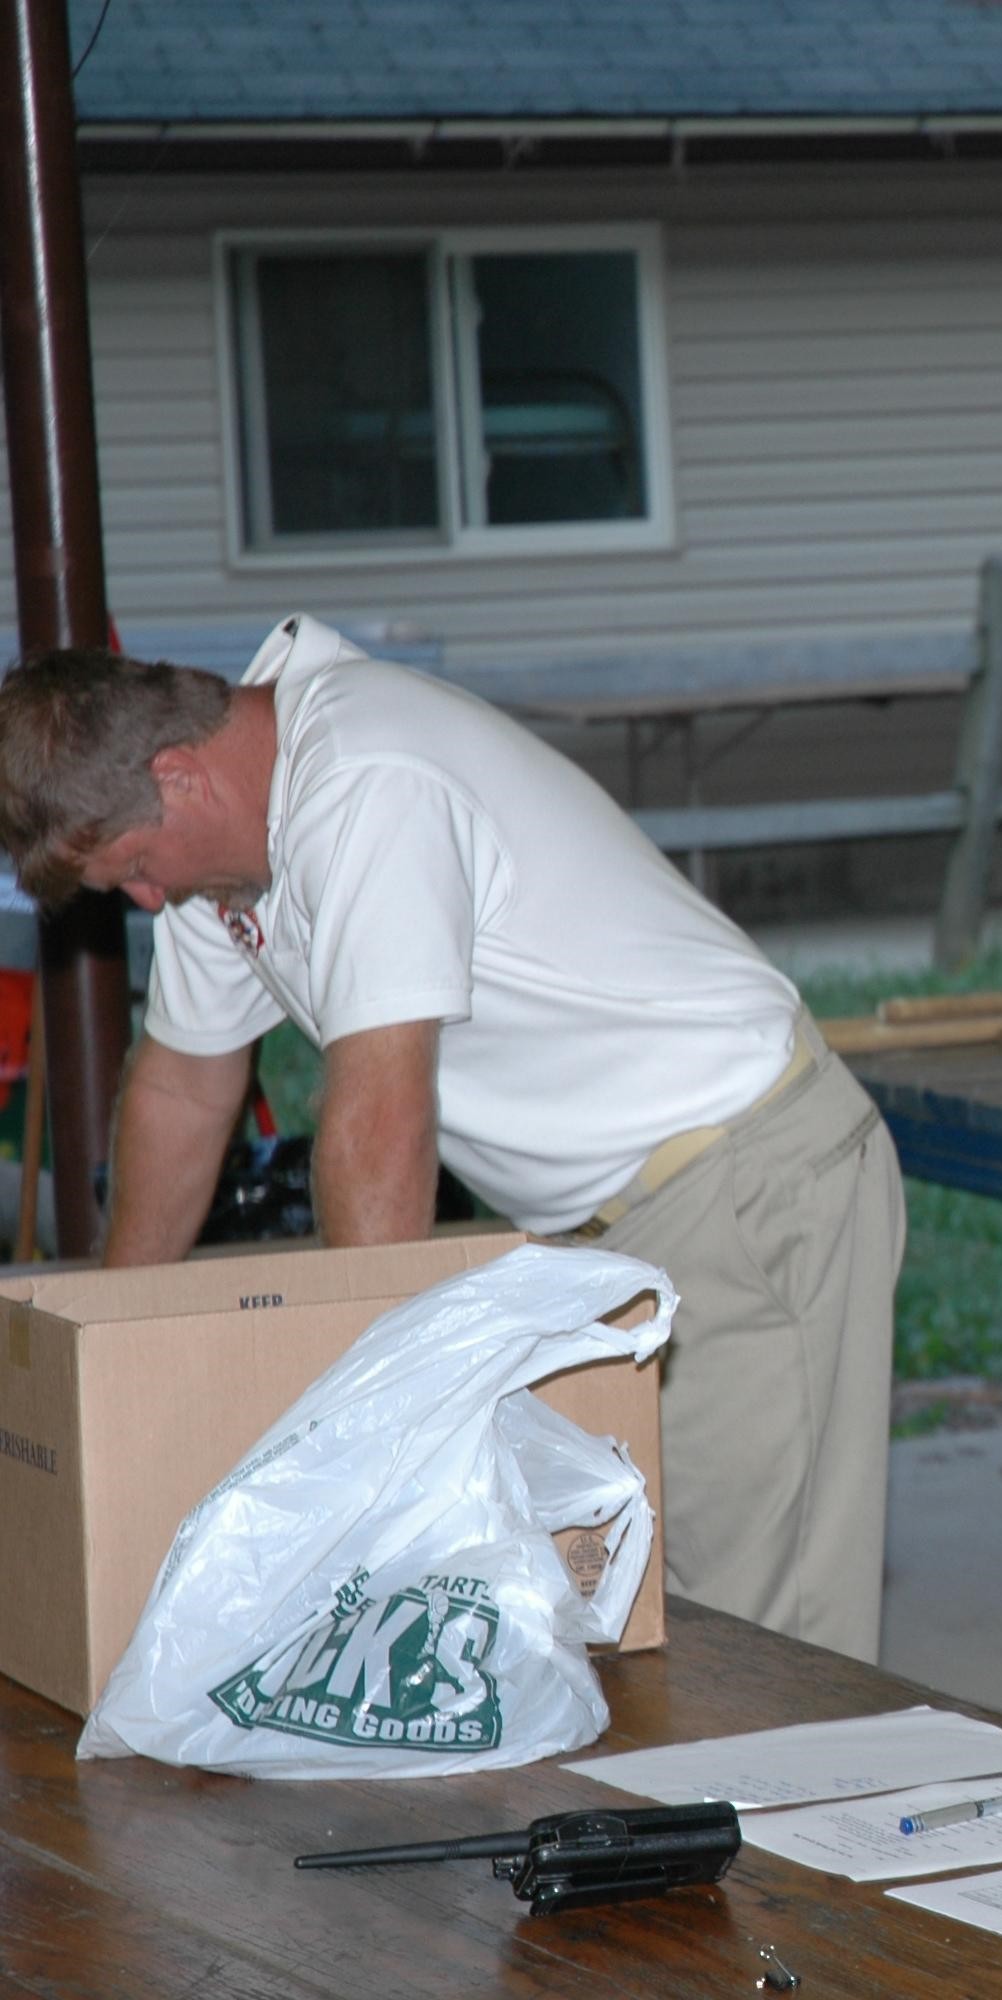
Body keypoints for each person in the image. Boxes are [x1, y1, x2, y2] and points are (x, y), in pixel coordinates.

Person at [0, 623, 904, 1662]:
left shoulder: (367, 778)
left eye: (136, 869)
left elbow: (381, 1116)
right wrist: (114, 1349)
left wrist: (376, 1413)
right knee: (614, 1618)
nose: (148, 900)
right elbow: (182, 1089)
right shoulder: (230, 855)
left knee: (763, 1652)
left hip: (743, 1183)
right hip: (594, 1237)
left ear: (178, 775)